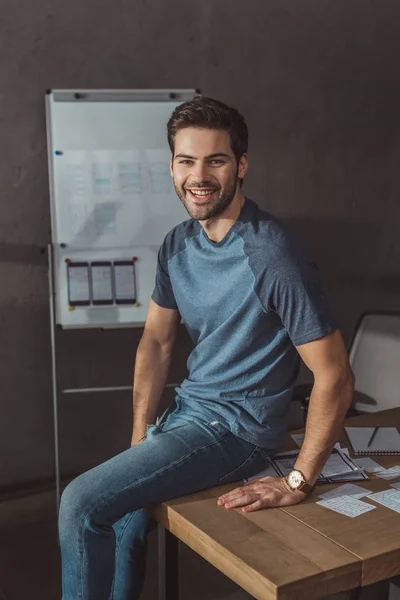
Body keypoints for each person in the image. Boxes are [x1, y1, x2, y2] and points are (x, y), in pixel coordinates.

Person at [59, 96, 354, 600]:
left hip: (235, 432)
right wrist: (139, 436)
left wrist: (298, 481)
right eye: (186, 161)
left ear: (241, 166)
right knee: (127, 524)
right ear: (171, 167)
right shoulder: (177, 245)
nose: (199, 176)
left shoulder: (271, 253)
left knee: (79, 503)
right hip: (188, 414)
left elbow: (335, 375)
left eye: (215, 160)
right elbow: (155, 341)